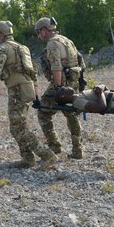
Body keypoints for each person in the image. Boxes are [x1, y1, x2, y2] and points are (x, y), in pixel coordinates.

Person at [0, 20, 56, 170]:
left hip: (16, 90)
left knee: (18, 127)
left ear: (0, 35)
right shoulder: (22, 48)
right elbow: (33, 73)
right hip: (27, 89)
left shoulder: (2, 49)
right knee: (19, 125)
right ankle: (27, 158)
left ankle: (47, 155)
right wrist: (36, 94)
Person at [35, 16, 85, 159]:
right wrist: (80, 83)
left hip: (62, 83)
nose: (39, 36)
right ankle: (77, 150)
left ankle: (55, 147)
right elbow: (81, 62)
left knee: (43, 112)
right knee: (72, 114)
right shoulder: (67, 41)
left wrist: (57, 88)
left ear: (45, 30)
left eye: (39, 32)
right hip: (74, 81)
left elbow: (56, 67)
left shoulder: (52, 44)